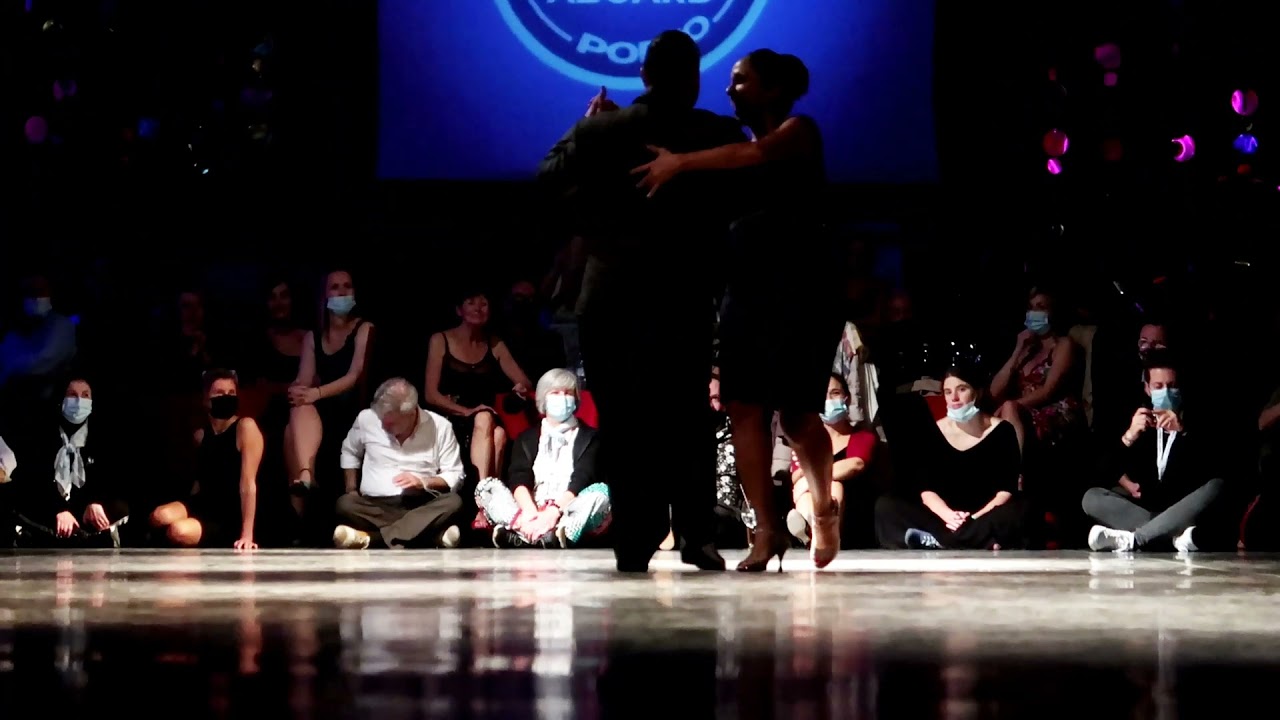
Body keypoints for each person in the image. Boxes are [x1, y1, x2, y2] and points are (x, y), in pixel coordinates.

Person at [538, 30, 748, 572]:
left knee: (625, 424)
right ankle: (697, 538)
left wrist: (586, 125)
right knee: (688, 419)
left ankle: (635, 541)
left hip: (609, 299)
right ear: (695, 78)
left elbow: (546, 181)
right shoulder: (717, 131)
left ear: (643, 75)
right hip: (683, 296)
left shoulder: (599, 130)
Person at [631, 49, 842, 571]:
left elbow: (755, 157)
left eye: (740, 81)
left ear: (772, 90)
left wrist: (681, 162)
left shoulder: (798, 131)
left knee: (796, 415)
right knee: (743, 407)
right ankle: (768, 533)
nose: (729, 90)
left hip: (803, 291)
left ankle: (822, 505)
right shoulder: (730, 144)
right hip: (745, 290)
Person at [1083, 350, 1224, 552]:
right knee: (1091, 497)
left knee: (1217, 486)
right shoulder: (1139, 419)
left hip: (1184, 510)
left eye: (1172, 386)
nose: (1165, 392)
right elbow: (1101, 472)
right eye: (1158, 387)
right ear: (1148, 389)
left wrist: (1183, 432)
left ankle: (1135, 540)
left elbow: (1210, 468)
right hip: (1147, 510)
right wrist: (1128, 437)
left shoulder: (1197, 420)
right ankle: (1169, 537)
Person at [874, 367, 1027, 550]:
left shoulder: (1002, 431)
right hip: (944, 517)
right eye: (948, 392)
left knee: (1023, 510)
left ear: (977, 392)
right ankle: (970, 541)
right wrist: (949, 516)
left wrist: (972, 519)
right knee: (887, 506)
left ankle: (942, 541)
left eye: (961, 389)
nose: (954, 398)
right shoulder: (933, 431)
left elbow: (1005, 490)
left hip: (984, 515)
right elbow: (926, 489)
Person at [476, 368, 610, 548]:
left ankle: (548, 534)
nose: (562, 398)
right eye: (555, 393)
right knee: (486, 488)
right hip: (530, 510)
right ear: (543, 399)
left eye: (568, 393)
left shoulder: (590, 437)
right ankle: (528, 530)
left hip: (568, 509)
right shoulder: (526, 438)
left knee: (602, 493)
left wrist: (553, 512)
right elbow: (519, 478)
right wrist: (531, 513)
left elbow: (583, 477)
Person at [333, 378, 466, 550]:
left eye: (389, 423)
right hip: (375, 508)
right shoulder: (366, 418)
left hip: (420, 506)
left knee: (454, 502)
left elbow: (455, 474)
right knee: (344, 504)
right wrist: (351, 489)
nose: (382, 426)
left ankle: (372, 540)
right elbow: (350, 451)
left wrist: (422, 482)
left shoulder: (440, 427)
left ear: (411, 414)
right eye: (380, 420)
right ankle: (429, 536)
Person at [10, 378, 130, 546]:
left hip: (85, 507)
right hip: (50, 505)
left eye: (85, 395)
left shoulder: (104, 435)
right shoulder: (41, 432)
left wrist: (96, 500)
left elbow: (111, 474)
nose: (79, 401)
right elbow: (32, 477)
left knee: (116, 507)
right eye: (72, 395)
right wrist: (59, 509)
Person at [150, 369, 262, 549]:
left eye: (231, 393)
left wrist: (247, 534)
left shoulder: (245, 428)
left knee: (179, 531)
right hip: (204, 503)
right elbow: (201, 478)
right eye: (219, 393)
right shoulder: (201, 435)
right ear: (206, 399)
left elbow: (248, 484)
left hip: (229, 511)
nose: (226, 397)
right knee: (159, 516)